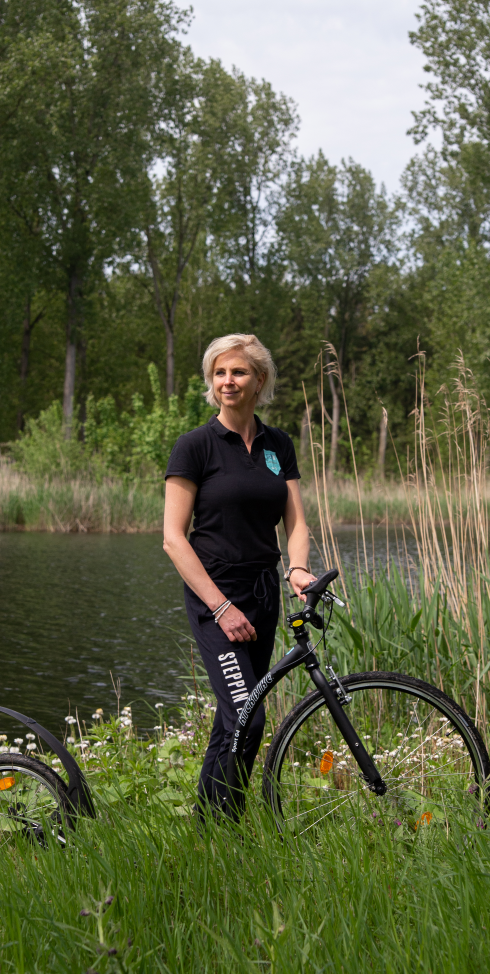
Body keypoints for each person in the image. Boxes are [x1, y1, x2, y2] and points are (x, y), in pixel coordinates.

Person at [163, 333, 316, 816]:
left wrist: (297, 567)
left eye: (239, 372)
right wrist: (221, 607)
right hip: (216, 596)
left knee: (233, 717)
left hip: (263, 593)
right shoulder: (195, 447)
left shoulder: (277, 445)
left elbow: (295, 522)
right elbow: (173, 538)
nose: (228, 381)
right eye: (220, 373)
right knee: (248, 719)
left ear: (260, 380)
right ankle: (227, 824)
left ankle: (209, 830)